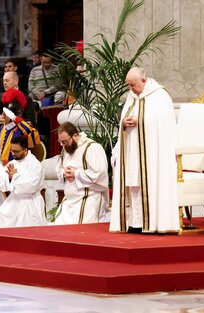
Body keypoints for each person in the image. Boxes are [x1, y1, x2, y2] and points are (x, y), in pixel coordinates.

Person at [110, 67, 179, 233]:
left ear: (143, 80)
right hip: (133, 151)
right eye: (128, 85)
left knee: (148, 183)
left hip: (152, 153)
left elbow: (164, 122)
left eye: (133, 85)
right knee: (133, 184)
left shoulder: (159, 95)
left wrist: (140, 119)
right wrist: (124, 123)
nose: (130, 89)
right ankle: (135, 223)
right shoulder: (132, 95)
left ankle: (154, 223)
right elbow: (126, 117)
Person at [53, 122, 110, 225]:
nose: (63, 145)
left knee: (82, 231)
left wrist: (76, 174)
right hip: (69, 200)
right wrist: (64, 173)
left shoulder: (92, 147)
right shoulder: (66, 149)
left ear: (75, 135)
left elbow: (100, 173)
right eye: (60, 142)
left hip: (89, 199)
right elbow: (59, 169)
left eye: (65, 142)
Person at [0, 135, 47, 227]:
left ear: (25, 150)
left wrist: (15, 176)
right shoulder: (12, 163)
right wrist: (9, 178)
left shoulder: (35, 165)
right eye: (11, 151)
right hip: (14, 201)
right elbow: (1, 180)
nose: (13, 154)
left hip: (29, 203)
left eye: (16, 151)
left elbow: (31, 186)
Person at [0, 96, 40, 165]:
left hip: (17, 167)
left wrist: (14, 118)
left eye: (6, 113)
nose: (2, 115)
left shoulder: (20, 130)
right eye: (2, 112)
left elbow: (29, 131)